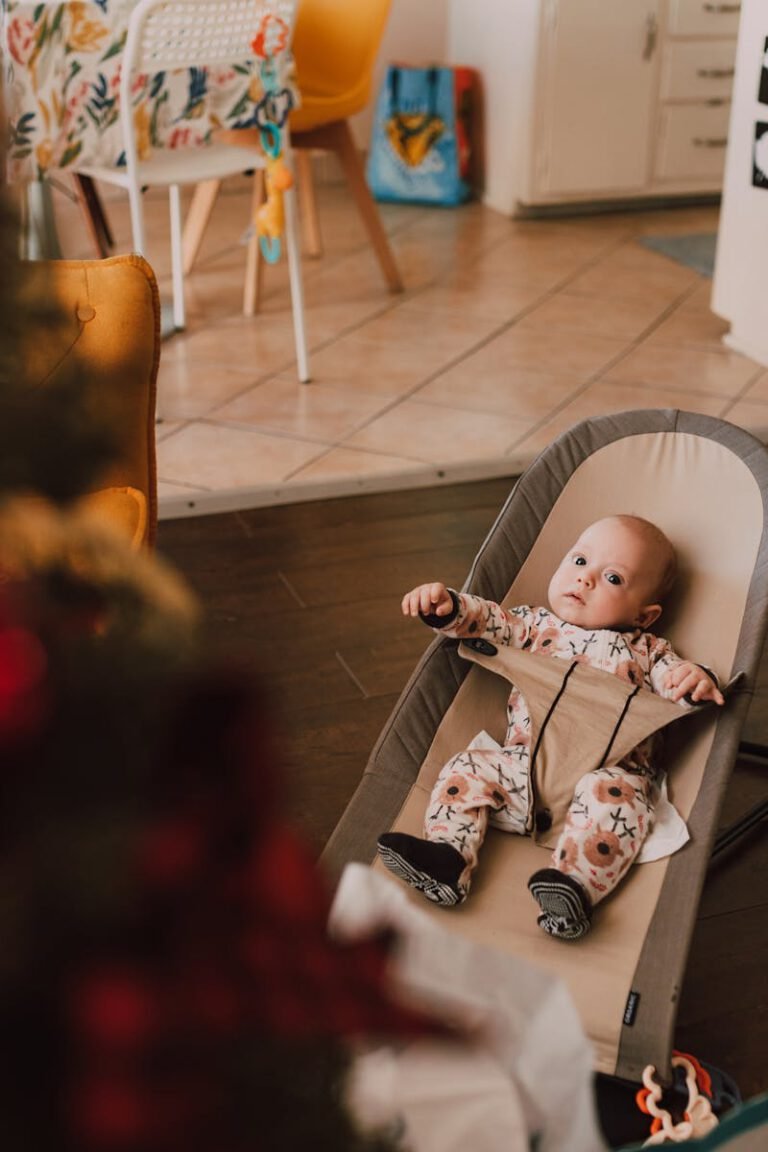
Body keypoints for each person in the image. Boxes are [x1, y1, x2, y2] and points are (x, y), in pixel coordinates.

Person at [377, 514, 724, 941]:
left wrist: (693, 679)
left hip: (604, 776)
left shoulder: (649, 651)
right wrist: (448, 605)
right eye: (579, 561)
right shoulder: (536, 626)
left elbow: (677, 683)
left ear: (645, 616)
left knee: (622, 798)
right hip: (523, 773)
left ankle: (573, 888)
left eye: (612, 577)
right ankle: (448, 858)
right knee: (467, 767)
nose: (586, 579)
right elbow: (487, 620)